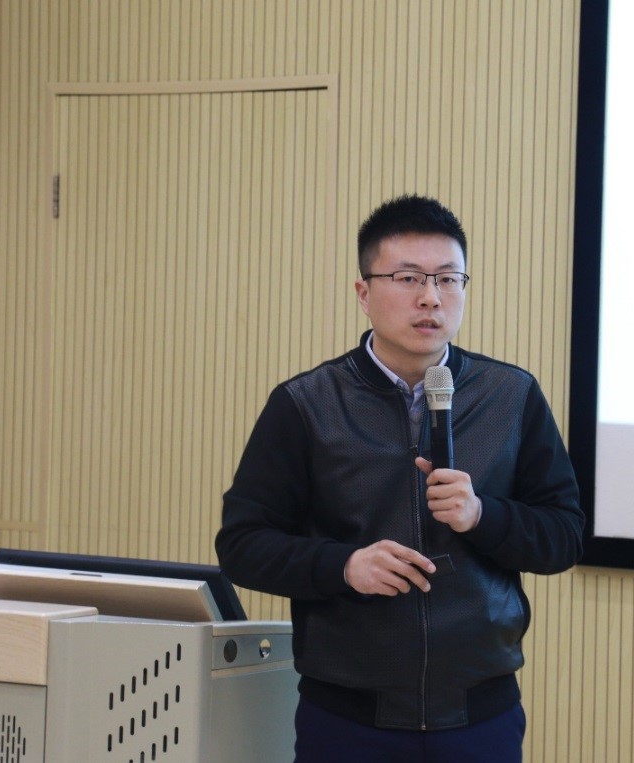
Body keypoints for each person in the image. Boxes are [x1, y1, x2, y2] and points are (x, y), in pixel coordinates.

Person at [215, 195, 584, 762]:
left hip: (479, 714)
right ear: (363, 293)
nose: (431, 297)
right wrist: (344, 566)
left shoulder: (511, 396)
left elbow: (564, 536)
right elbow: (243, 545)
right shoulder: (306, 404)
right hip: (346, 717)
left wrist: (483, 515)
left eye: (448, 279)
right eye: (408, 278)